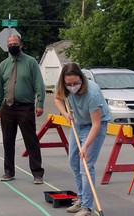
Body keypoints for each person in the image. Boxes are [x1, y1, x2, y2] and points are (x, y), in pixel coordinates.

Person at [54, 63, 110, 216]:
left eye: (76, 83)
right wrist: (65, 114)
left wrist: (85, 146)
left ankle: (87, 207)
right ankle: (80, 198)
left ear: (82, 79)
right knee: (73, 161)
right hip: (77, 124)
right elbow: (57, 98)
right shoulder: (64, 87)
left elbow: (97, 124)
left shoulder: (92, 93)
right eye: (69, 84)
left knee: (85, 165)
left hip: (94, 126)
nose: (72, 87)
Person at [0, 34, 45, 184]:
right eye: (10, 44)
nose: (12, 46)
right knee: (7, 141)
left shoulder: (30, 62)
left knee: (31, 141)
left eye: (15, 44)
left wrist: (40, 103)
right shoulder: (3, 64)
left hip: (25, 108)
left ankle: (37, 173)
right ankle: (8, 172)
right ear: (7, 46)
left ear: (21, 45)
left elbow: (38, 83)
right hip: (7, 108)